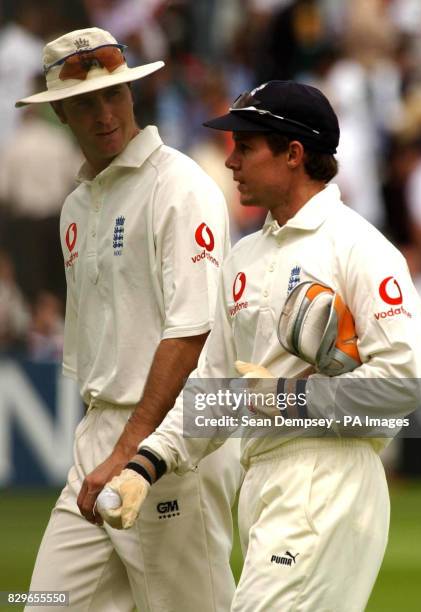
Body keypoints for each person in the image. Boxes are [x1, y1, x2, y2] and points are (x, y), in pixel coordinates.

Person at [102, 80, 421, 611]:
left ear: (294, 154)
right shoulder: (243, 258)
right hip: (263, 483)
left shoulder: (360, 247)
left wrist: (286, 398)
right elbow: (215, 388)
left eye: (246, 147)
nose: (231, 162)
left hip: (329, 478)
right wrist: (148, 463)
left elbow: (404, 380)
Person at [16, 27, 242, 612]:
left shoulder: (180, 187)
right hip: (99, 441)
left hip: (169, 445)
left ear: (133, 94)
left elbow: (192, 334)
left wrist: (130, 450)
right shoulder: (76, 206)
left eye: (113, 94)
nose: (104, 113)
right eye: (85, 103)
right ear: (60, 112)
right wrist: (101, 447)